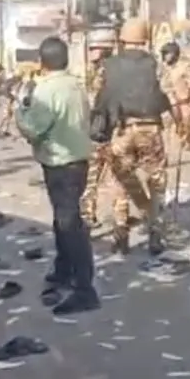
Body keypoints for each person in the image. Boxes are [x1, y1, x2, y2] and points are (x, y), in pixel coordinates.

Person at [16, 36, 99, 314]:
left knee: (70, 223)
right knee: (63, 219)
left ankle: (85, 290)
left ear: (41, 62)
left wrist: (21, 108)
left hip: (60, 164)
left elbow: (33, 130)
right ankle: (64, 269)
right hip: (78, 160)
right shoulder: (76, 85)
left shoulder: (45, 91)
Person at [93, 18, 175, 255]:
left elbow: (99, 101)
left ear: (123, 40)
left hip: (121, 130)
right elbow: (168, 96)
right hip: (150, 129)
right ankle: (155, 236)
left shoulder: (108, 66)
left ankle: (121, 236)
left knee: (120, 182)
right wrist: (180, 123)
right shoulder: (156, 65)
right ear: (145, 39)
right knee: (156, 181)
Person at [80, 27, 116, 228]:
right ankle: (119, 218)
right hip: (111, 132)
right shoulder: (116, 72)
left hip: (95, 133)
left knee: (91, 179)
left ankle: (88, 216)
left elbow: (90, 104)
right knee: (114, 179)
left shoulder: (94, 74)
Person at [160, 41, 190, 163]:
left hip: (183, 103)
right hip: (167, 104)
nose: (165, 56)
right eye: (164, 54)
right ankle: (165, 157)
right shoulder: (163, 69)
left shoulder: (184, 67)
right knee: (166, 132)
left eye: (167, 53)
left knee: (186, 131)